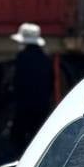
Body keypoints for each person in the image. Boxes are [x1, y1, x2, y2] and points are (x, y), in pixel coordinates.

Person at [9, 22, 52, 153]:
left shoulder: (21, 58)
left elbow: (17, 82)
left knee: (19, 138)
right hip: (42, 104)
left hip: (24, 104)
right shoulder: (45, 58)